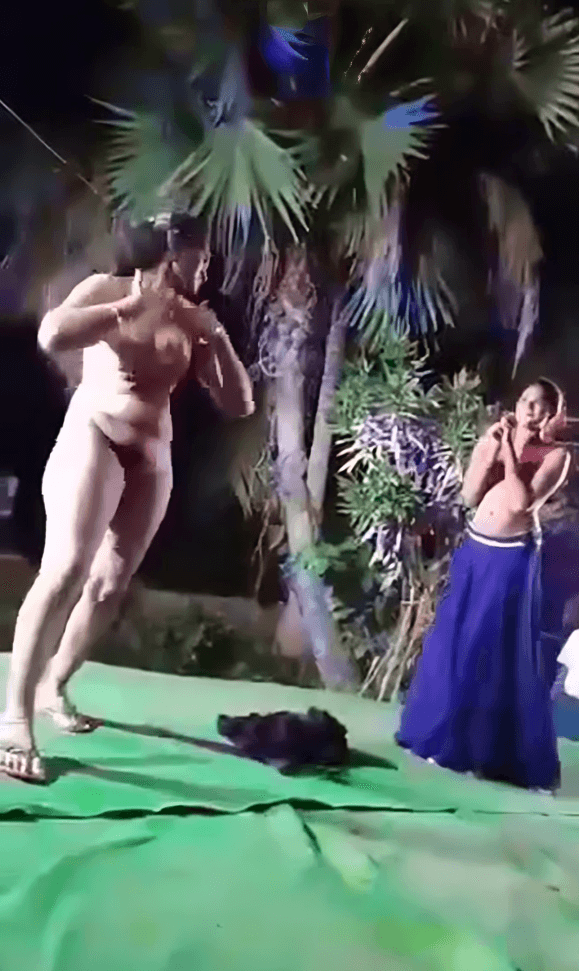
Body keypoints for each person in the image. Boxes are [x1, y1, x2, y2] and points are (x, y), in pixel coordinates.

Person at [0, 215, 255, 783]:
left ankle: (53, 686)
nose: (207, 268)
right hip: (94, 435)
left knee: (110, 584)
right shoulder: (107, 289)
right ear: (173, 255)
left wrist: (217, 338)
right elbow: (52, 335)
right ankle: (14, 718)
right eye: (201, 258)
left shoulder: (193, 320)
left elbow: (239, 404)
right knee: (66, 567)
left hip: (152, 456)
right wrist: (127, 309)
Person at [396, 379, 571, 791]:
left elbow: (521, 502)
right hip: (476, 549)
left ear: (551, 414)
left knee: (489, 646)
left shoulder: (557, 456)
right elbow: (471, 495)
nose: (529, 410)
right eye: (525, 401)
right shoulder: (496, 441)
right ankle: (441, 740)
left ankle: (487, 753)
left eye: (539, 405)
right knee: (455, 640)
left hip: (510, 558)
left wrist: (509, 451)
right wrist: (487, 451)